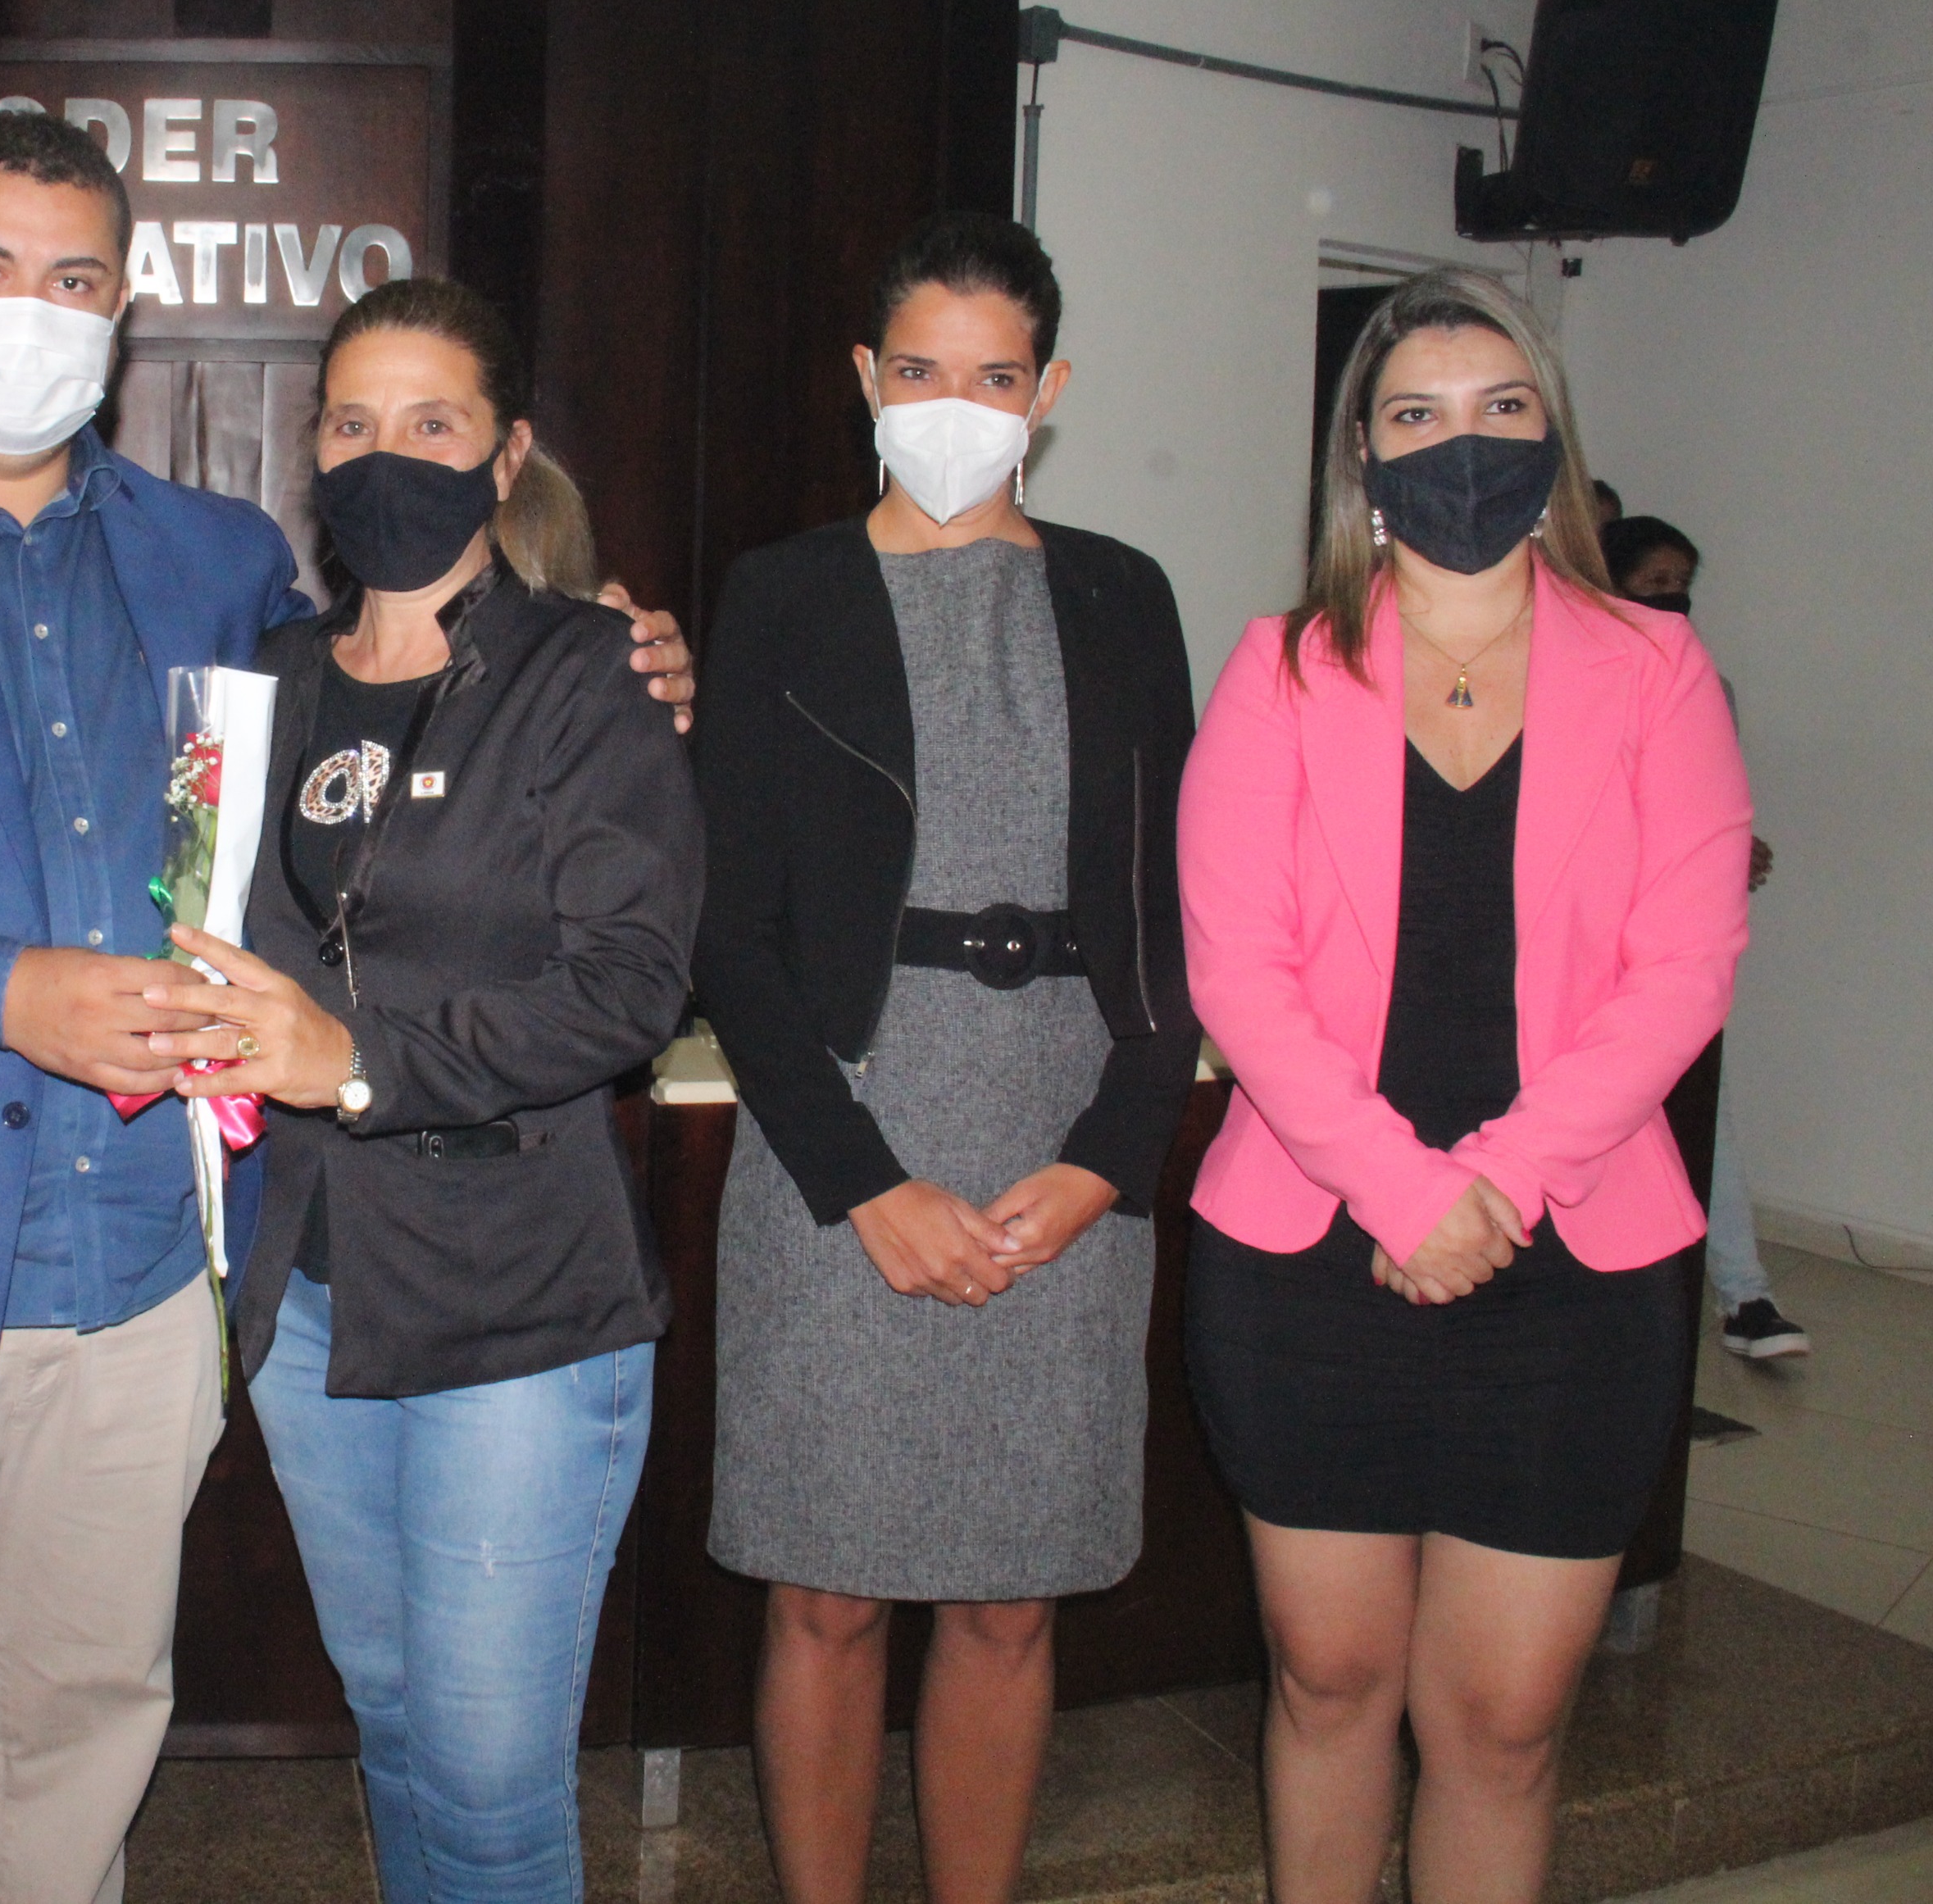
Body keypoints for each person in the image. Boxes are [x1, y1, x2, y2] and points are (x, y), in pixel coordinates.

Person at [0, 109, 693, 1904]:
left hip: (139, 1278)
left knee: (86, 1750)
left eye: (75, 280)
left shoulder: (217, 561)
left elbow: (403, 688)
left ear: (120, 312)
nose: (30, 312)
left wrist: (605, 641)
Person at [1180, 268, 1749, 1904]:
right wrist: (1404, 1189)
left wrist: (1489, 1183)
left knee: (1501, 1724)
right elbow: (1237, 971)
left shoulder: (1656, 668)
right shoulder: (1282, 665)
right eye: (1418, 415)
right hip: (1313, 1261)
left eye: (1501, 408)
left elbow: (1684, 966)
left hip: (1570, 1269)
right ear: (1362, 455)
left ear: (1552, 438)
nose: (1464, 444)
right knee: (1328, 1685)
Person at [129, 277, 698, 1898]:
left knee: (492, 1778)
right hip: (313, 1297)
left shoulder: (588, 672)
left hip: (518, 1302)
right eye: (354, 422)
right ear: (314, 451)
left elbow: (629, 988)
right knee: (388, 1722)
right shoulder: (256, 682)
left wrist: (358, 1061)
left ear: (505, 456)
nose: (389, 454)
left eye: (432, 423)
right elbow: (194, 925)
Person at [694, 212, 1198, 1904]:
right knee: (825, 1595)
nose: (954, 407)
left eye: (994, 377)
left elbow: (1171, 915)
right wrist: (866, 1184)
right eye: (919, 370)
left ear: (1047, 392)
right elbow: (729, 934)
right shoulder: (780, 592)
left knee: (1009, 1600)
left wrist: (1105, 1159)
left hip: (1062, 1128)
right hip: (843, 1133)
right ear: (865, 377)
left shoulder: (1122, 593)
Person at [1599, 512, 1803, 1358]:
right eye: (1653, 582)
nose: (1671, 596)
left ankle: (1742, 1294)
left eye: (1680, 582)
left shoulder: (1703, 685)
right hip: (1583, 941)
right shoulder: (1562, 674)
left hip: (1663, 944)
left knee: (1696, 1109)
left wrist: (1729, 845)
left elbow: (1705, 801)